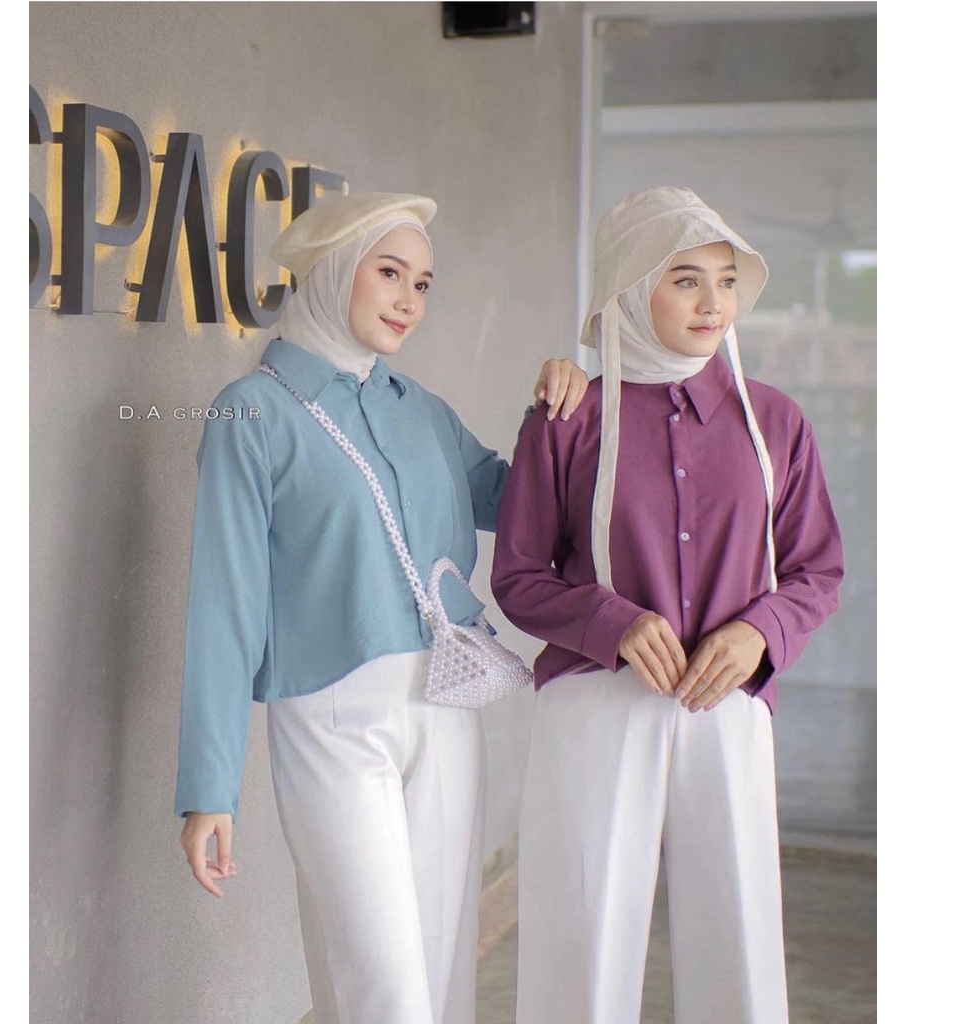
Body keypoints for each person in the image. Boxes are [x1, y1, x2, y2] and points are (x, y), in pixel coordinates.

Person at [173, 191, 588, 1024]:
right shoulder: (252, 413)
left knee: (440, 972)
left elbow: (527, 507)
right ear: (331, 271)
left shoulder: (420, 409)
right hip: (332, 717)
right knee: (382, 982)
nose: (409, 300)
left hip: (447, 705)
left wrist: (561, 415)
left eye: (423, 283)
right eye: (390, 273)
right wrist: (209, 788)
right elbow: (224, 608)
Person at [491, 185, 844, 1024]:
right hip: (597, 700)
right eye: (685, 280)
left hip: (728, 703)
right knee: (583, 926)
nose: (713, 303)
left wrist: (759, 634)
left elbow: (817, 569)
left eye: (725, 281)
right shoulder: (568, 417)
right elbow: (518, 575)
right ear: (630, 286)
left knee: (739, 932)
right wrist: (613, 622)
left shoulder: (776, 422)